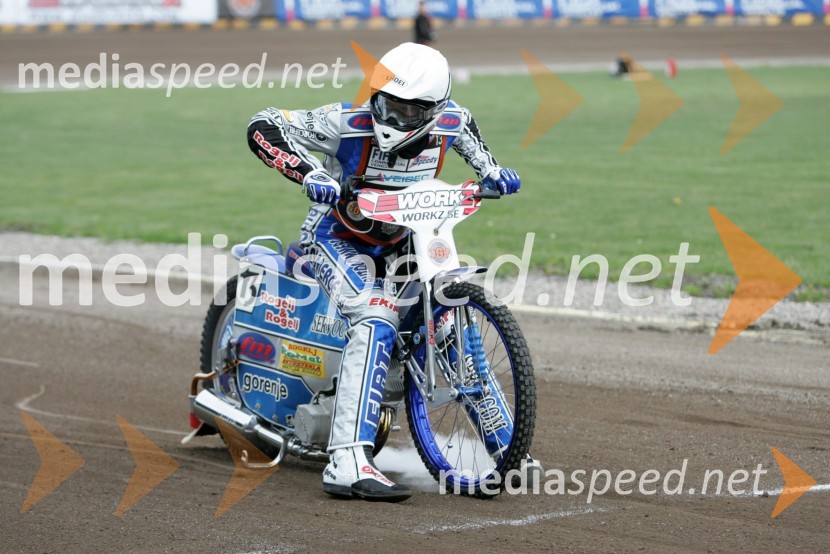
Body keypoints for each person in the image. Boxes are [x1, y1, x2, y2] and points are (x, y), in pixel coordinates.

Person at [246, 42, 520, 502]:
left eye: (406, 110)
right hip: (335, 239)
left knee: (447, 318)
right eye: (385, 103)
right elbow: (263, 124)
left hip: (406, 243)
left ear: (434, 109)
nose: (390, 117)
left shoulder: (453, 120)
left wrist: (492, 171)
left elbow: (471, 135)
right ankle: (346, 462)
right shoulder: (345, 121)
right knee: (377, 317)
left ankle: (506, 447)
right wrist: (308, 171)